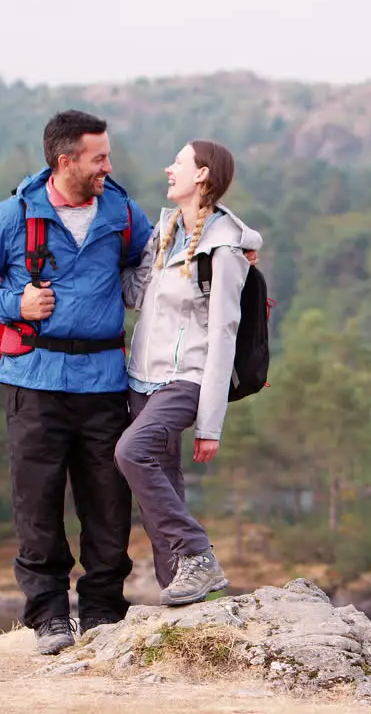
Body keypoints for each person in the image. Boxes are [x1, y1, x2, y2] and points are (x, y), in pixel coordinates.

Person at [0, 110, 152, 654]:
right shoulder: (12, 216)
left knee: (109, 504)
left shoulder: (123, 211)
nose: (108, 165)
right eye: (99, 157)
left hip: (107, 380)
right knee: (37, 505)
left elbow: (157, 263)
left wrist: (235, 253)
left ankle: (105, 614)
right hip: (33, 381)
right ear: (66, 161)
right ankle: (49, 619)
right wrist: (13, 302)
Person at [116, 139, 263, 606]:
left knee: (132, 452)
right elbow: (137, 296)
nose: (168, 169)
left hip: (187, 378)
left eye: (178, 162)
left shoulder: (223, 249)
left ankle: (198, 553)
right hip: (141, 378)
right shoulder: (167, 232)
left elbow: (224, 335)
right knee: (162, 486)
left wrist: (209, 424)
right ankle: (179, 599)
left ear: (202, 175)